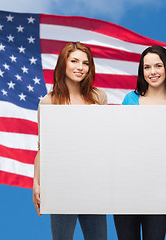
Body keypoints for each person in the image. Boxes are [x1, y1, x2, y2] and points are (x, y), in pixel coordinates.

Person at [33, 42, 108, 240]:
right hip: (61, 183)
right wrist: (37, 184)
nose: (80, 67)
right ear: (63, 64)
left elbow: (105, 140)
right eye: (74, 61)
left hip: (93, 182)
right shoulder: (48, 102)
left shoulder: (98, 98)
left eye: (85, 63)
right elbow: (43, 147)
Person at [113, 45, 166, 240]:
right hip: (126, 189)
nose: (152, 72)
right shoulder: (130, 99)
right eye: (147, 67)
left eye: (158, 66)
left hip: (158, 191)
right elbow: (119, 144)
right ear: (142, 71)